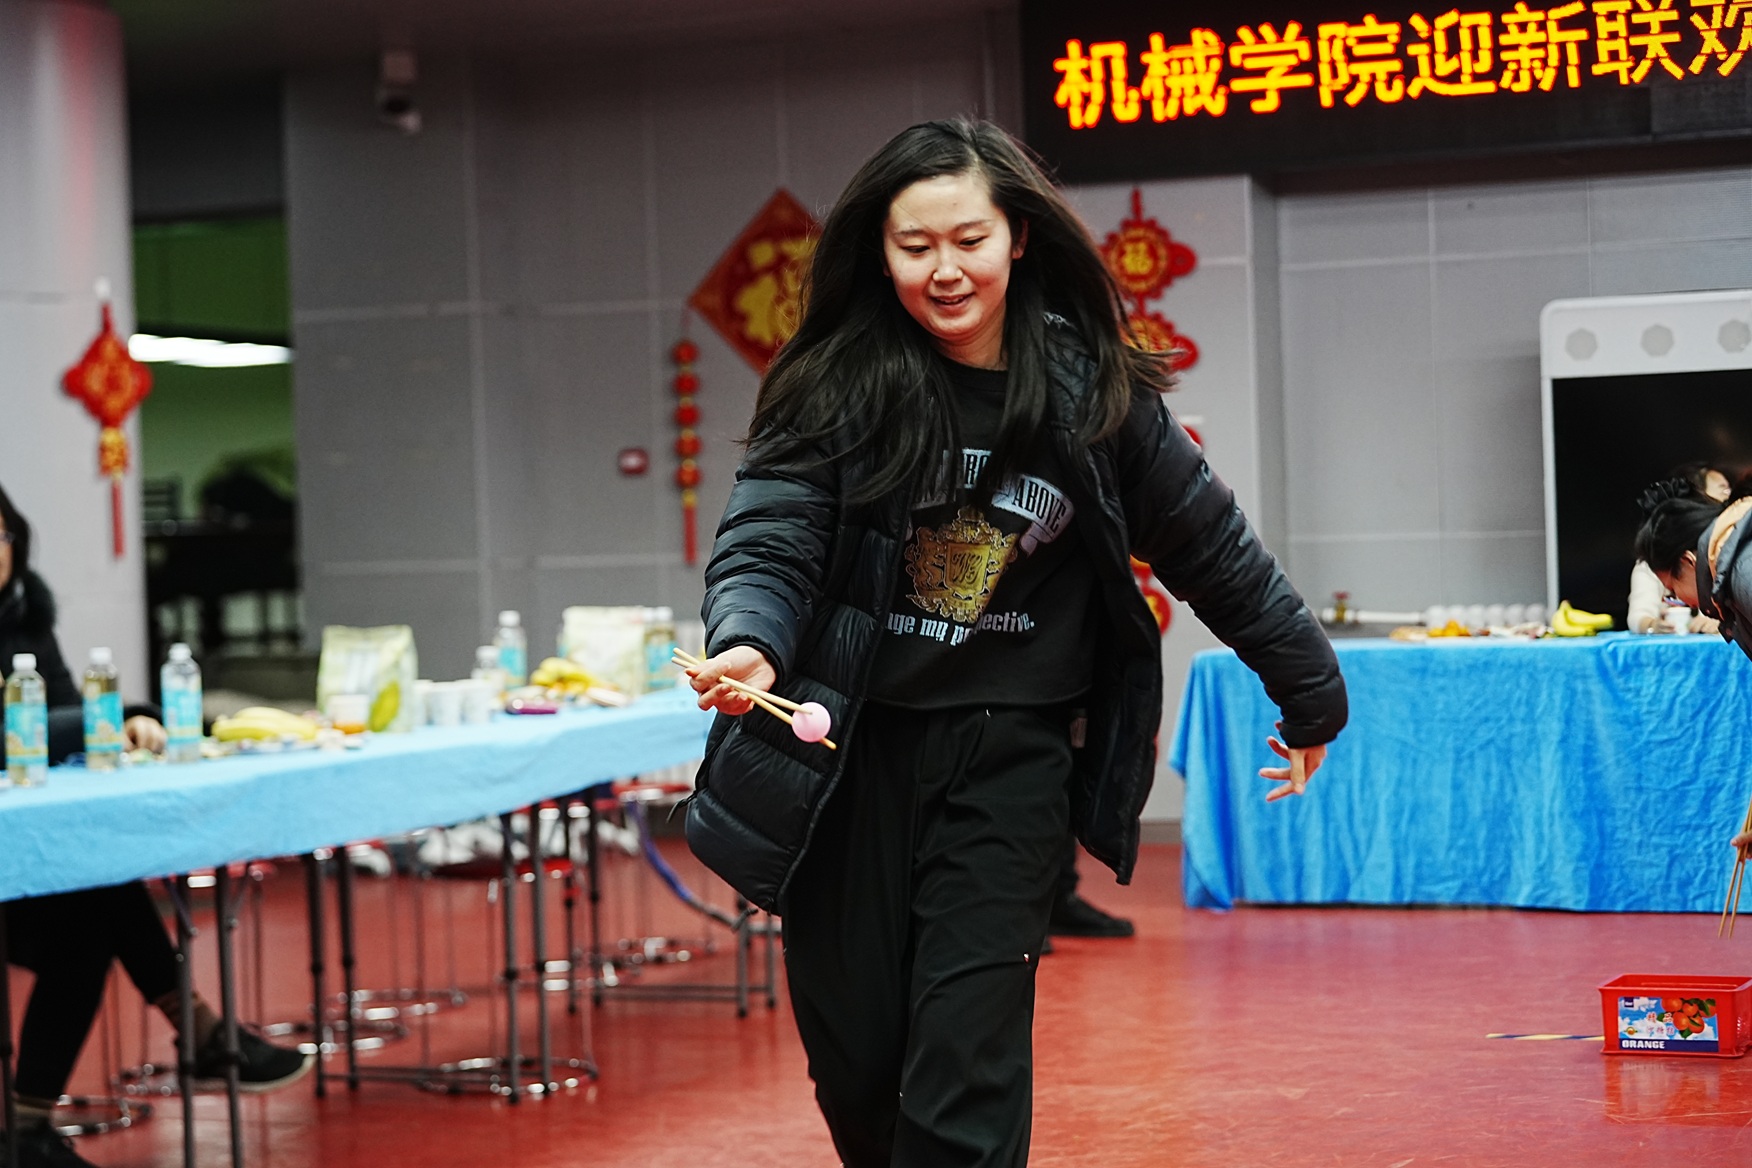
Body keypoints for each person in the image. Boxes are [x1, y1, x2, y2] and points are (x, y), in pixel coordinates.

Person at [678, 119, 1347, 1167]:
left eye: (969, 240)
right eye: (915, 246)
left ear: (1019, 237)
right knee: (857, 1063)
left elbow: (1210, 545)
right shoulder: (835, 385)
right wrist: (752, 640)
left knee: (966, 1062)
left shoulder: (1094, 393)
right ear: (880, 252)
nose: (945, 270)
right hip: (849, 755)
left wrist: (1311, 695)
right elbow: (771, 536)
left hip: (1009, 760)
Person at [0, 484, 311, 1168]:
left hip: (30, 856)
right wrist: (103, 720)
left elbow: (62, 711)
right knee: (98, 899)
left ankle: (28, 1131)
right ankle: (200, 1033)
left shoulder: (25, 616)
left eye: (0, 537)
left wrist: (130, 719)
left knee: (93, 914)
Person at [1628, 462, 1730, 634]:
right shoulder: (1656, 561)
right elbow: (1638, 614)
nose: (1730, 498)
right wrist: (1652, 625)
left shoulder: (1732, 556)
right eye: (1723, 490)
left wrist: (1725, 621)